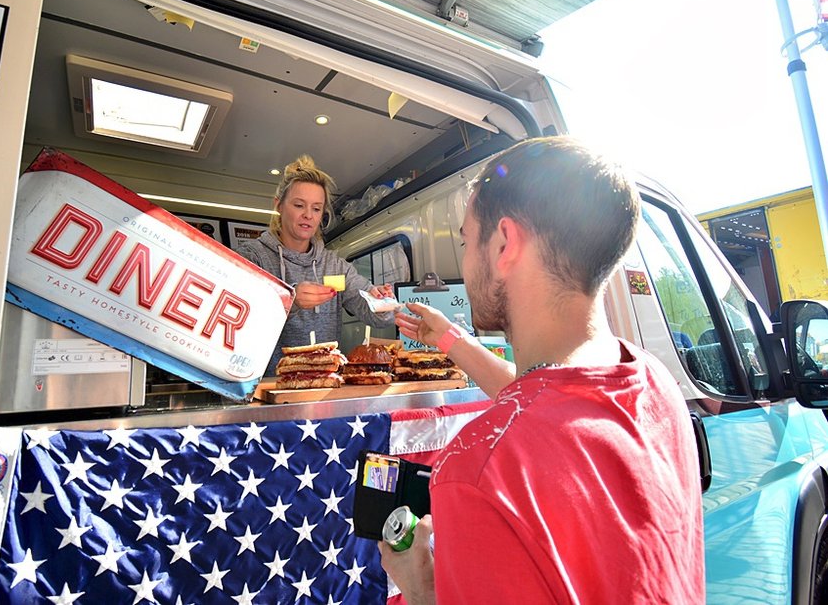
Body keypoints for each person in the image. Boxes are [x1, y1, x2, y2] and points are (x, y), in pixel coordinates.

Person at [380, 137, 705, 604]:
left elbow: (532, 412)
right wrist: (450, 339)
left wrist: (420, 586)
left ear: (505, 243)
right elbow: (541, 398)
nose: (466, 261)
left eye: (468, 241)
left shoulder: (478, 470)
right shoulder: (655, 384)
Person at [237, 154, 395, 375]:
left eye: (316, 208)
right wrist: (289, 302)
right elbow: (236, 317)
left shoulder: (334, 266)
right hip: (267, 385)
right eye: (299, 205)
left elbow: (378, 316)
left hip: (324, 384)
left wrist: (381, 301)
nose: (307, 216)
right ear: (279, 206)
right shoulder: (253, 257)